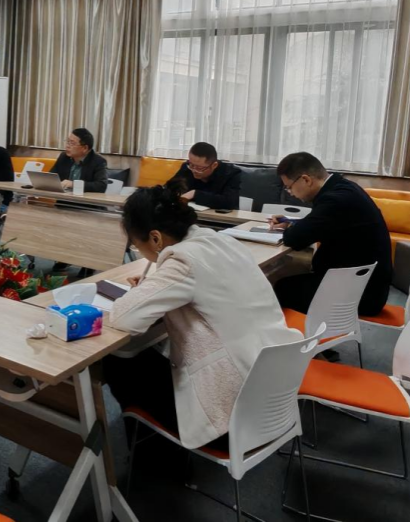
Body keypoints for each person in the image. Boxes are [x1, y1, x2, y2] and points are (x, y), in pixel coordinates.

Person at [105, 184, 299, 450]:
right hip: (274, 398)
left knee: (120, 361)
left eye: (137, 246)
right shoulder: (221, 241)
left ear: (156, 238)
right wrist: (156, 284)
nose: (141, 252)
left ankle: (156, 464)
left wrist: (150, 288)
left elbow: (123, 319)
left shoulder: (183, 260)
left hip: (235, 421)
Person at [270, 152, 392, 317]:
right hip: (366, 285)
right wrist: (291, 223)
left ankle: (300, 331)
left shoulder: (334, 200)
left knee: (281, 286)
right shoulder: (344, 188)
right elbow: (322, 223)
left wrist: (292, 229)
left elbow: (294, 238)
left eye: (289, 187)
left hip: (361, 295)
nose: (290, 193)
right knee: (292, 276)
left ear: (306, 180)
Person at [168, 142, 241, 210]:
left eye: (199, 168)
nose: (194, 170)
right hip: (190, 214)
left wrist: (195, 194)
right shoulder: (187, 168)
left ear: (214, 165)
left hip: (221, 218)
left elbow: (229, 202)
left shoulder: (230, 173)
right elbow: (168, 189)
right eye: (191, 164)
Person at [52, 128, 109, 192]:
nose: (67, 146)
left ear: (85, 148)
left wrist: (73, 184)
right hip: (63, 197)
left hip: (83, 198)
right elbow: (51, 177)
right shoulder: (64, 157)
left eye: (72, 143)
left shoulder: (98, 162)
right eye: (68, 142)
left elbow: (101, 186)